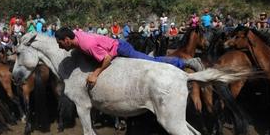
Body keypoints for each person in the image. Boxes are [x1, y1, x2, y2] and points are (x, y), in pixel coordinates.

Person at [54, 27, 205, 88]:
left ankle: (187, 62)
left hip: (120, 48)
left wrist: (95, 74)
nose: (60, 47)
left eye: (60, 43)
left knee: (151, 62)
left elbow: (106, 58)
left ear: (67, 40)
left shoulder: (86, 44)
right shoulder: (76, 34)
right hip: (114, 47)